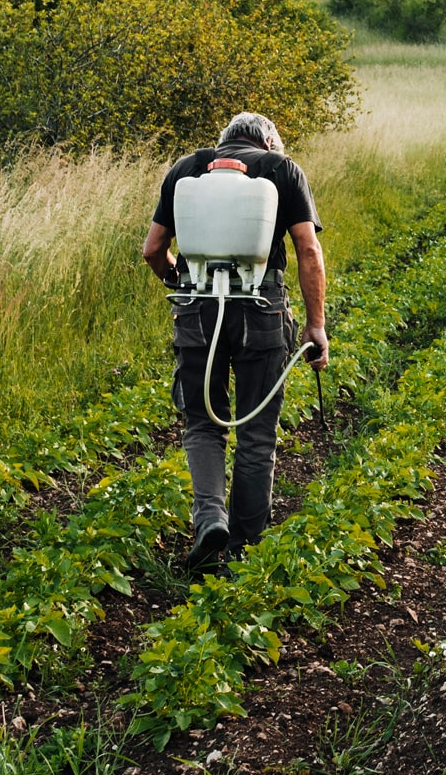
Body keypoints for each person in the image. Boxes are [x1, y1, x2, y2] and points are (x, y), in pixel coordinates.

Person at [141, 112, 330, 572]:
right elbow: (307, 249)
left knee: (204, 423)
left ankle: (209, 521)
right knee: (256, 433)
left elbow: (151, 249)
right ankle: (245, 550)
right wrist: (316, 325)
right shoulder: (283, 170)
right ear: (268, 140)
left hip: (197, 309)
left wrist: (179, 280)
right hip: (262, 311)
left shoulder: (185, 169)